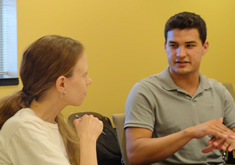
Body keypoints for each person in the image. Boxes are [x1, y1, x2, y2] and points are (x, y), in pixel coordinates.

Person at [124, 11, 235, 165]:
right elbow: (135, 155)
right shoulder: (145, 91)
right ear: (165, 46)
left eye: (189, 46)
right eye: (173, 45)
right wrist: (190, 133)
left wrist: (230, 139)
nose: (180, 54)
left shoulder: (218, 90)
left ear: (205, 47)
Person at [0, 35, 103, 165]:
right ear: (61, 84)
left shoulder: (55, 123)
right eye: (84, 74)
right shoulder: (24, 128)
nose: (89, 81)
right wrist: (88, 139)